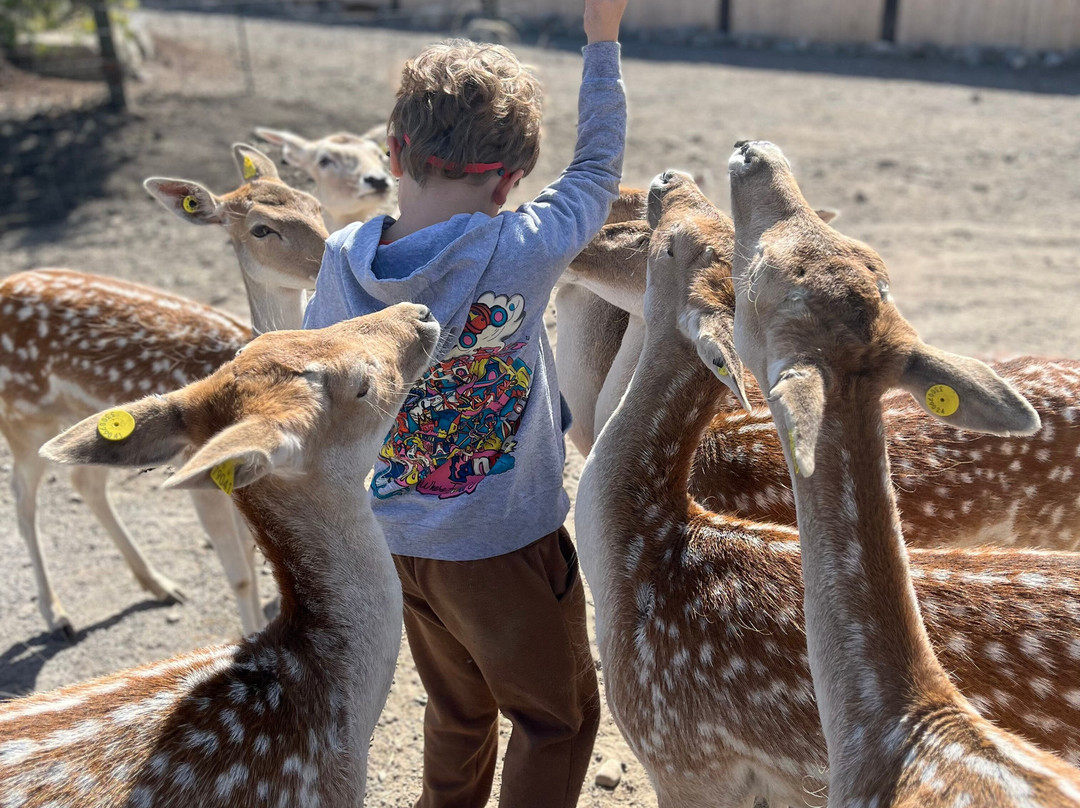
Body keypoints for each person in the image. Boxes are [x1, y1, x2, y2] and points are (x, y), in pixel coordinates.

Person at [304, 2, 627, 805]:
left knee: (458, 709)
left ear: (393, 150)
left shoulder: (342, 257)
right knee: (557, 718)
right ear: (510, 180)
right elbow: (595, 171)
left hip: (396, 539)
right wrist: (602, 41)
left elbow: (317, 378)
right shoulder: (521, 246)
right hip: (502, 545)